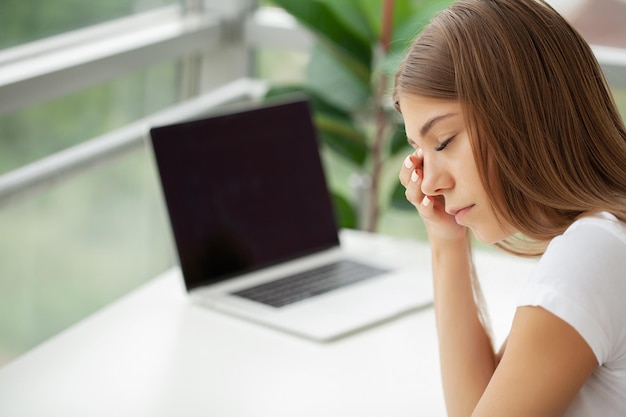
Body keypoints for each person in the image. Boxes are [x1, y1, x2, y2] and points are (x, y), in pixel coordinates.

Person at [395, 0, 626, 416]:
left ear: (523, 108)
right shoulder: (607, 238)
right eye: (419, 152)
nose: (429, 182)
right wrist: (446, 241)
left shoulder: (592, 255)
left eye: (444, 141)